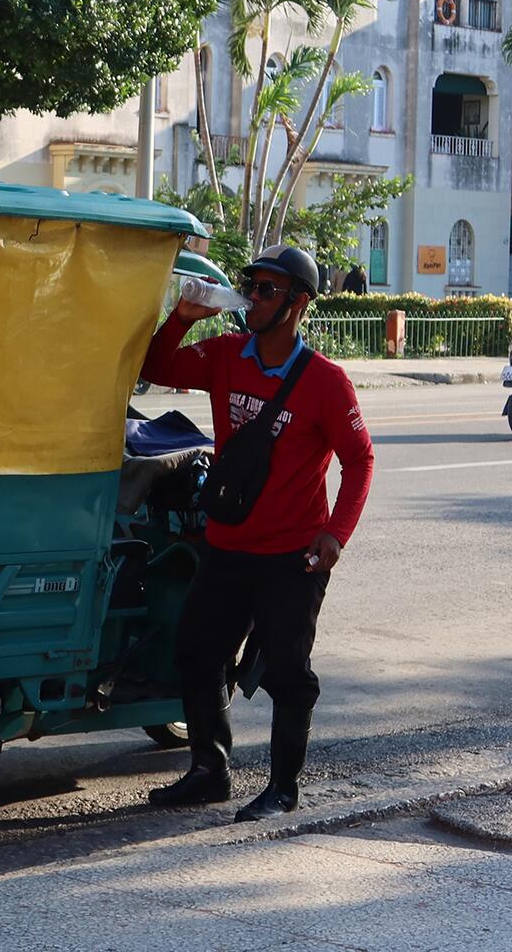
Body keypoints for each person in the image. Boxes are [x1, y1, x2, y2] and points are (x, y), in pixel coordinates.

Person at [141, 245, 375, 822]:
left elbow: (361, 460)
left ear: (298, 303)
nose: (252, 299)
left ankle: (283, 789)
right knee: (197, 653)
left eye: (268, 290)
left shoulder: (326, 382)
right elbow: (155, 369)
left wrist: (335, 535)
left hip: (291, 559)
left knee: (288, 676)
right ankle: (209, 769)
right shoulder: (225, 356)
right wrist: (181, 318)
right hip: (226, 546)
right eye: (251, 287)